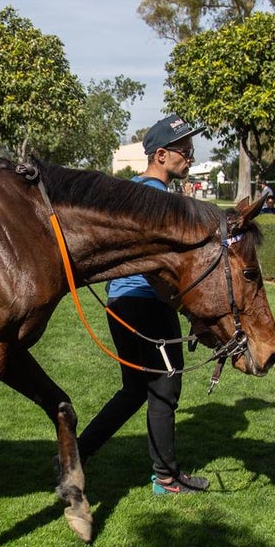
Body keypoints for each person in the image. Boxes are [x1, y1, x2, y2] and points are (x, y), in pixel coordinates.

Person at [76, 113, 209, 494]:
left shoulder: (131, 191)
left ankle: (76, 453)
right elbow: (164, 265)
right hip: (149, 304)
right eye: (185, 150)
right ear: (161, 155)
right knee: (165, 388)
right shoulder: (158, 198)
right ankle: (166, 478)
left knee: (135, 389)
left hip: (119, 304)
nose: (191, 157)